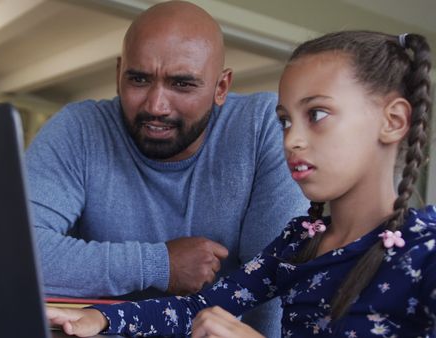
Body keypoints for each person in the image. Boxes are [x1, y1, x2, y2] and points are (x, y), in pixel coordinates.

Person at [45, 30, 436, 337]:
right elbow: (196, 310)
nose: (291, 139)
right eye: (285, 120)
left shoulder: (427, 253)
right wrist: (99, 317)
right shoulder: (299, 242)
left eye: (316, 114)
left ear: (394, 121)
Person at [26, 1, 307, 335]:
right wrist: (160, 264)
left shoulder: (261, 127)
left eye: (182, 84)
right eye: (139, 79)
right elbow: (15, 254)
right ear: (119, 74)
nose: (156, 106)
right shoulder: (79, 128)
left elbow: (274, 287)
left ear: (221, 88)